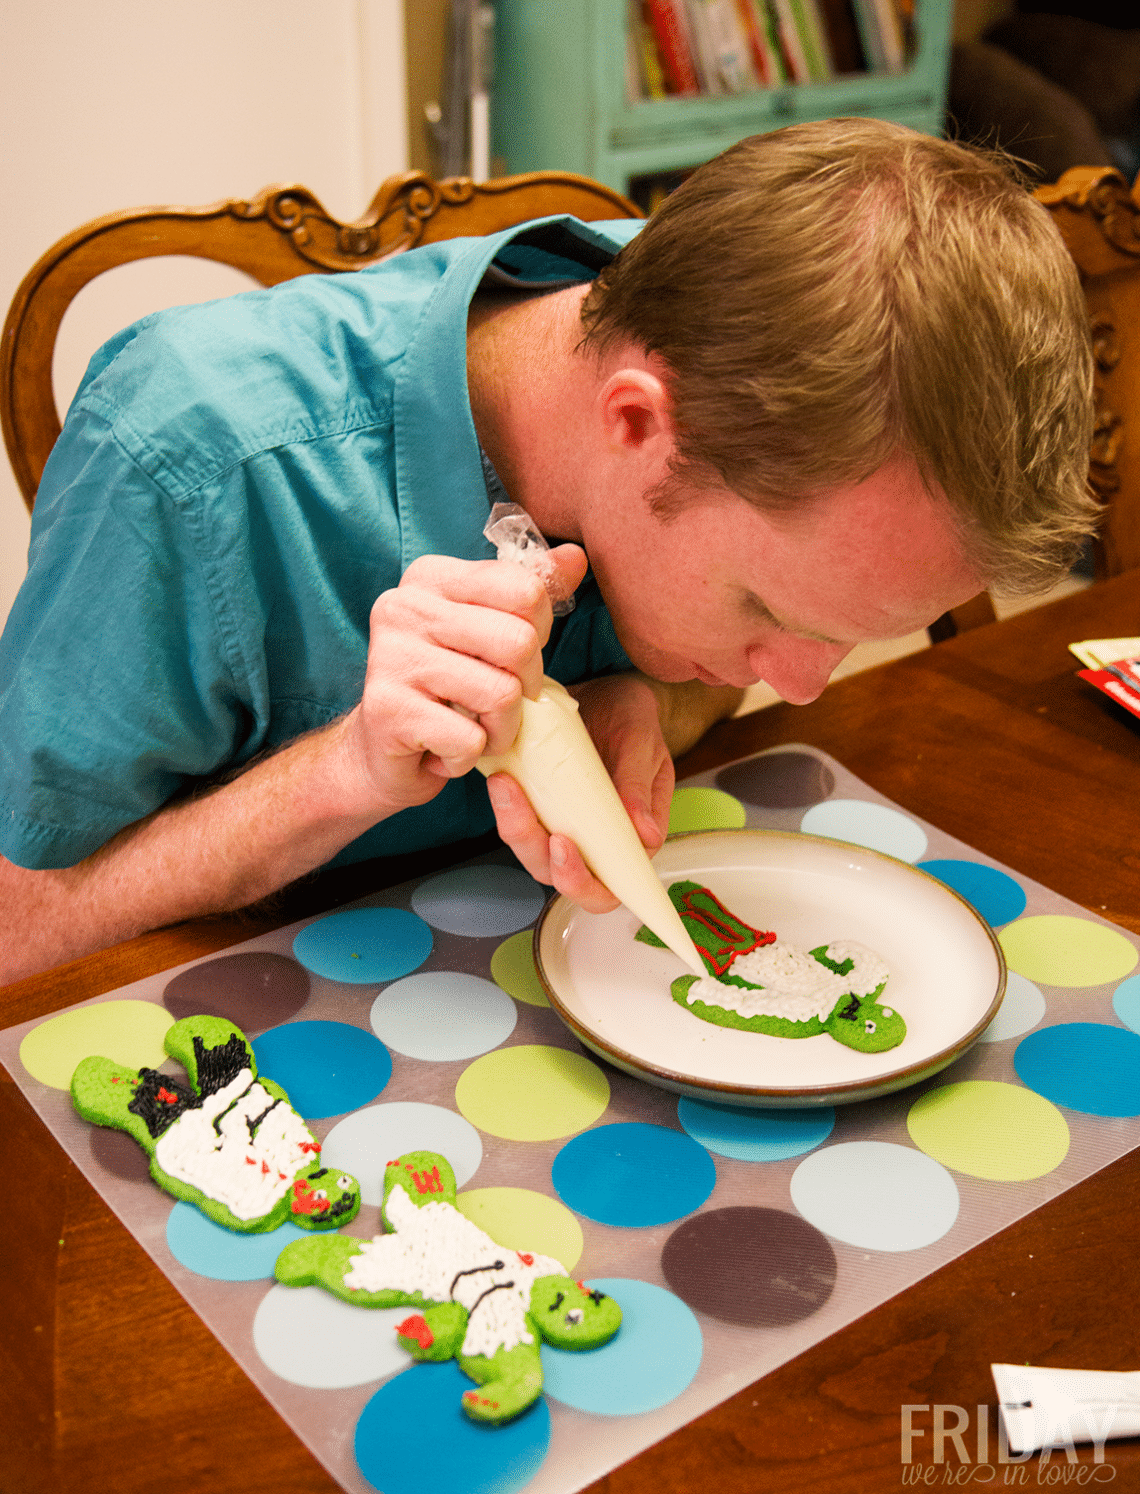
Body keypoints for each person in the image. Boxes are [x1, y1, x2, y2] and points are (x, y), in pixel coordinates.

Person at [0, 118, 1098, 984]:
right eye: (770, 615)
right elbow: (19, 930)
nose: (804, 685)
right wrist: (340, 775)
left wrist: (647, 697)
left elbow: (733, 667)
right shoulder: (185, 461)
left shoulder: (697, 312)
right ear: (634, 423)